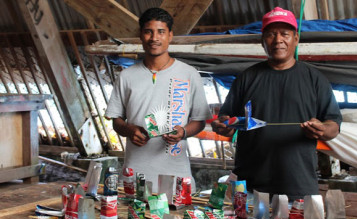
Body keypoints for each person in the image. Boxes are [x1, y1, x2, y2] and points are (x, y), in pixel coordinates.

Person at [211, 7, 342, 200]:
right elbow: (226, 118)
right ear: (262, 41)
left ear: (295, 39)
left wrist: (322, 129)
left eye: (285, 34)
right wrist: (224, 126)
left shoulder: (315, 79)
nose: (278, 40)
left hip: (298, 184)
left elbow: (334, 126)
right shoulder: (246, 78)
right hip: (250, 186)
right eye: (271, 34)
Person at [105, 7, 211, 192]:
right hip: (134, 176)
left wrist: (183, 132)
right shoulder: (127, 76)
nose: (154, 38)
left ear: (170, 35)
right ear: (141, 35)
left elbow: (199, 121)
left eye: (161, 32)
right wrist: (128, 129)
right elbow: (116, 121)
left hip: (177, 176)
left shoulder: (189, 74)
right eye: (148, 31)